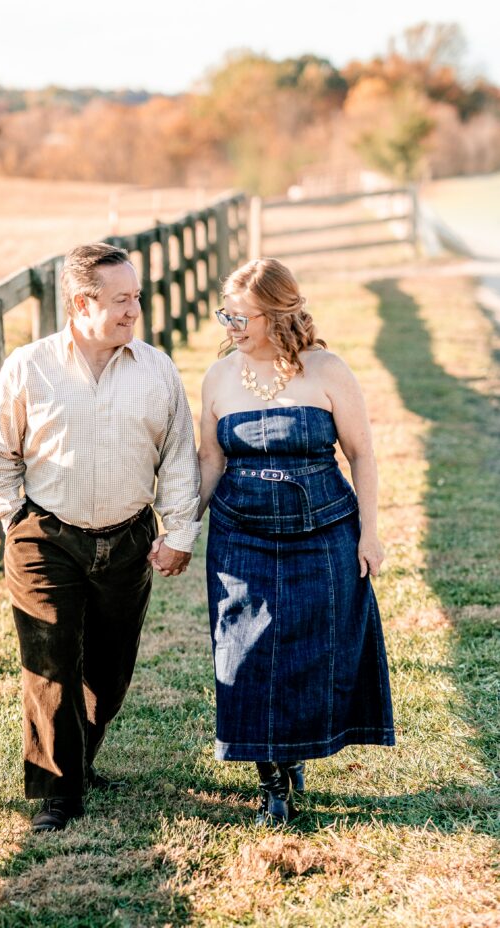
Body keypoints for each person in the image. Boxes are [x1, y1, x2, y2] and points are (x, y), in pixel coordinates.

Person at [0, 243, 200, 832]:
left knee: (110, 669)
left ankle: (78, 756)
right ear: (81, 303)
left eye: (137, 297)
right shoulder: (31, 366)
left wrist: (178, 531)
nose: (135, 309)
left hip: (127, 540)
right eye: (122, 299)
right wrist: (13, 516)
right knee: (49, 662)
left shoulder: (157, 369)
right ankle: (60, 792)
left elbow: (178, 456)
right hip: (46, 537)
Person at [197, 258, 395, 826]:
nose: (230, 327)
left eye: (241, 317)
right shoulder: (218, 377)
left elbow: (361, 455)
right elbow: (210, 460)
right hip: (240, 533)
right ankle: (272, 784)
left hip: (325, 528)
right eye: (225, 316)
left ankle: (295, 754)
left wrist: (370, 533)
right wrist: (182, 529)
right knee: (245, 649)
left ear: (278, 315)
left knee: (316, 649)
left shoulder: (328, 370)